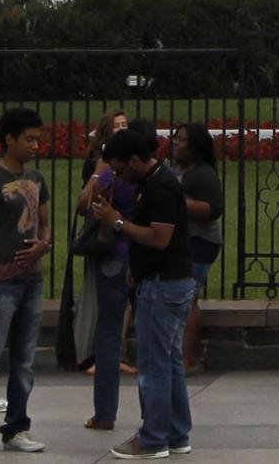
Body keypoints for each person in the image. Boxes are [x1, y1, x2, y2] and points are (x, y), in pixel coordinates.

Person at [89, 126, 195, 462]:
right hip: (163, 279)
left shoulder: (160, 186)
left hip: (164, 286)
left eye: (120, 169)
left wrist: (116, 221)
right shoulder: (153, 182)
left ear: (136, 160)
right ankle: (176, 433)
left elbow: (160, 237)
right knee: (169, 361)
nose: (118, 177)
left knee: (154, 364)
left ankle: (153, 437)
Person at [0, 107, 52, 455]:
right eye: (29, 139)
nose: (35, 145)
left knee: (24, 361)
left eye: (38, 139)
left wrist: (43, 245)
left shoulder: (37, 179)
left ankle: (17, 426)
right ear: (10, 140)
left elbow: (45, 224)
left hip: (31, 280)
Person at [77, 132, 139, 434]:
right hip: (141, 257)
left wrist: (95, 176)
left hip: (114, 256)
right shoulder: (147, 178)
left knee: (109, 333)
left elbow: (83, 206)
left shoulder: (109, 176)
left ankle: (104, 413)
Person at [71, 110, 129, 375]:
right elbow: (85, 203)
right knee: (105, 298)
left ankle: (110, 354)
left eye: (124, 124)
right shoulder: (101, 162)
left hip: (122, 237)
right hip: (105, 237)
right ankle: (101, 354)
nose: (121, 129)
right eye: (116, 125)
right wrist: (98, 174)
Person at [173, 123, 224, 374]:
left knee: (189, 298)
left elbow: (212, 210)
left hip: (201, 241)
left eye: (182, 140)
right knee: (182, 297)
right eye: (176, 138)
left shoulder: (204, 174)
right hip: (181, 241)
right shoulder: (176, 169)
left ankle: (189, 358)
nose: (176, 143)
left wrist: (179, 203)